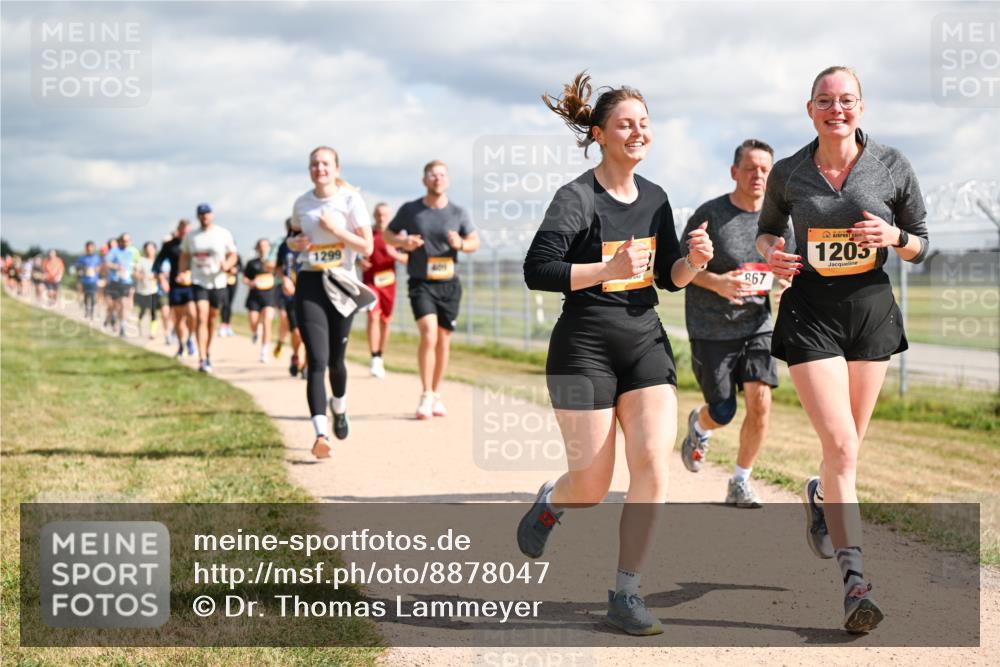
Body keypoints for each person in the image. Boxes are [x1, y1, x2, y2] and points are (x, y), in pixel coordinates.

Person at [517, 72, 713, 636]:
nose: (638, 132)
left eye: (644, 123)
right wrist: (605, 271)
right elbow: (538, 269)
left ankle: (626, 592)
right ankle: (554, 501)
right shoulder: (576, 198)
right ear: (600, 134)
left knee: (652, 461)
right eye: (626, 124)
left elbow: (670, 277)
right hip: (583, 347)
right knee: (593, 485)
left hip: (644, 341)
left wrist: (695, 261)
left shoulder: (656, 197)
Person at [756, 66, 929, 634]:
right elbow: (768, 230)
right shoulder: (789, 172)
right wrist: (773, 254)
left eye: (847, 99)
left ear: (861, 106)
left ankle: (819, 492)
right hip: (810, 311)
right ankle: (856, 582)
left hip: (869, 310)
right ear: (810, 109)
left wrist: (894, 237)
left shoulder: (892, 165)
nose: (837, 108)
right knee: (843, 448)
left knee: (845, 454)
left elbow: (921, 243)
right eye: (825, 101)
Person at [679, 139, 792, 508]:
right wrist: (718, 282)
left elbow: (789, 269)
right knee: (723, 411)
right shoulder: (710, 215)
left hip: (758, 324)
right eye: (751, 168)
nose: (759, 175)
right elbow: (680, 270)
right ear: (734, 172)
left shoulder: (778, 223)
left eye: (765, 169)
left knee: (761, 401)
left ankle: (741, 481)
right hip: (711, 328)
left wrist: (786, 286)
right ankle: (700, 424)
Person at [289, 146, 373, 455]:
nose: (319, 168)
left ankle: (340, 406)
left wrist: (337, 230)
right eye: (314, 164)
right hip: (311, 281)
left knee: (337, 361)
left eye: (325, 163)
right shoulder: (302, 203)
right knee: (317, 360)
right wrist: (294, 242)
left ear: (336, 168)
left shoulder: (351, 200)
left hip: (343, 284)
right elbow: (292, 238)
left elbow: (367, 247)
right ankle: (320, 435)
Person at [383, 160, 479, 418]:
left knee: (443, 340)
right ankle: (425, 394)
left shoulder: (459, 212)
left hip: (449, 283)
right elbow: (387, 235)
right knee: (429, 334)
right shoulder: (411, 210)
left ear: (447, 180)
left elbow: (474, 242)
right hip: (421, 282)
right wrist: (404, 241)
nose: (437, 178)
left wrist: (460, 243)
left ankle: (436, 394)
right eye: (432, 175)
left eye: (442, 175)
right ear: (425, 180)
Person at [180, 203, 238, 373]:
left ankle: (207, 350)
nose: (204, 216)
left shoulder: (222, 233)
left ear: (212, 215)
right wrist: (182, 271)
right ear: (198, 216)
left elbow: (233, 254)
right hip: (199, 281)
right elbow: (184, 255)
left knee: (212, 318)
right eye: (201, 214)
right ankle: (202, 358)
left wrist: (227, 264)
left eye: (207, 213)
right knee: (201, 317)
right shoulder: (191, 236)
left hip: (218, 281)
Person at [361, 202, 408, 378]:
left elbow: (408, 259)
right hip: (371, 281)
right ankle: (374, 357)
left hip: (389, 283)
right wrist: (360, 262)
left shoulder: (396, 236)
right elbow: (358, 254)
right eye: (379, 214)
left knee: (385, 321)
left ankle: (380, 356)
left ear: (390, 216)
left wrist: (395, 254)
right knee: (373, 316)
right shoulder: (368, 234)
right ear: (374, 216)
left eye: (385, 215)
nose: (382, 218)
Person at [154, 219, 197, 358]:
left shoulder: (195, 244)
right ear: (178, 229)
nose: (185, 231)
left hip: (192, 285)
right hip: (175, 285)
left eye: (187, 228)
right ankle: (180, 345)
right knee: (178, 319)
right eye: (182, 228)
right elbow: (157, 264)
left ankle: (190, 338)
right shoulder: (169, 245)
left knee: (192, 314)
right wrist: (162, 280)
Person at [275, 218, 306, 378]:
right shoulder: (284, 246)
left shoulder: (310, 243)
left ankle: (307, 364)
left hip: (309, 292)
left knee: (309, 332)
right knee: (297, 331)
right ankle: (296, 356)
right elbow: (278, 267)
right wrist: (284, 279)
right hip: (291, 295)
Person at [243, 238, 279, 362]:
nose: (263, 248)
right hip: (255, 296)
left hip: (269, 296)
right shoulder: (252, 263)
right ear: (258, 248)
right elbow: (245, 278)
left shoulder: (275, 263)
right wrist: (251, 282)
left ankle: (264, 351)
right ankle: (255, 332)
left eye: (265, 246)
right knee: (253, 322)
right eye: (261, 246)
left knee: (267, 322)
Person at [105, 235, 135, 336]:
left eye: (127, 240)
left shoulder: (133, 251)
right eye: (123, 241)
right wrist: (116, 266)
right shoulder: (114, 251)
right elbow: (107, 263)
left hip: (126, 282)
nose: (125, 242)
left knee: (123, 303)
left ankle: (122, 326)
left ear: (130, 241)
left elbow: (136, 264)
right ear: (120, 241)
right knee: (114, 304)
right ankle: (112, 316)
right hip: (115, 281)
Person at [134, 241, 161, 339]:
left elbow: (161, 274)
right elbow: (135, 274)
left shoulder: (158, 261)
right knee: (143, 310)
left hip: (153, 290)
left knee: (154, 312)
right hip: (142, 291)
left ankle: (152, 333)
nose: (149, 251)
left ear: (154, 249)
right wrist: (142, 277)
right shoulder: (141, 261)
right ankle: (138, 325)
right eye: (147, 249)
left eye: (151, 249)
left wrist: (156, 278)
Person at [75, 241, 102, 319]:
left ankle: (92, 312)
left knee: (93, 296)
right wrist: (83, 269)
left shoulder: (97, 258)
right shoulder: (82, 258)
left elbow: (100, 267)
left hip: (94, 280)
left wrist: (98, 269)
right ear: (86, 248)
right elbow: (77, 267)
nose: (90, 249)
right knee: (87, 296)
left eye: (91, 247)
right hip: (85, 280)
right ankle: (87, 309)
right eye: (88, 247)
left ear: (93, 248)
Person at [219, 253, 243, 338]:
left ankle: (228, 325)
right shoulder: (221, 255)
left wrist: (236, 270)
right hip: (222, 282)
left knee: (229, 305)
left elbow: (241, 268)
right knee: (224, 304)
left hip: (233, 282)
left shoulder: (237, 256)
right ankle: (222, 325)